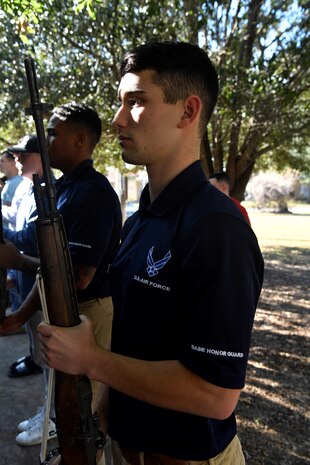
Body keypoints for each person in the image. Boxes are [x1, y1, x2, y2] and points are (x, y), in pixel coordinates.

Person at [37, 41, 263, 465]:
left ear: (188, 111)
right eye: (120, 103)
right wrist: (106, 412)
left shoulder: (216, 228)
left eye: (136, 102)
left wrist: (92, 360)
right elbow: (138, 335)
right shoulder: (143, 217)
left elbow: (216, 395)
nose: (119, 118)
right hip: (132, 445)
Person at [0, 103, 122, 448]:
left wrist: (18, 260)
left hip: (88, 312)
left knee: (85, 421)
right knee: (63, 403)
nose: (45, 138)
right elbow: (54, 270)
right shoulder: (66, 189)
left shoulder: (93, 192)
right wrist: (21, 315)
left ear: (80, 140)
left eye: (53, 132)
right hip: (66, 309)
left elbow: (77, 276)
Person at [0, 150, 23, 229]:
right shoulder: (10, 182)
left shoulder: (15, 183)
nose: (0, 164)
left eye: (2, 161)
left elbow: (13, 213)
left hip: (12, 234)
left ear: (12, 162)